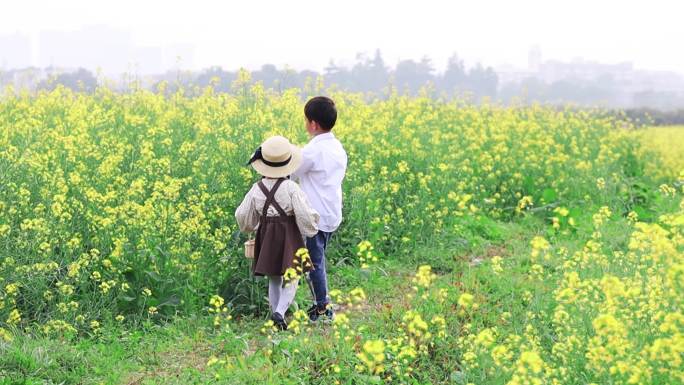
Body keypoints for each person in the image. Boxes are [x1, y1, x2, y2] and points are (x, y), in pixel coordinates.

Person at [235, 135, 320, 331]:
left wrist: (252, 227)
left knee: (275, 277)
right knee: (293, 276)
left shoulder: (256, 188)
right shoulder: (291, 187)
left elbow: (242, 214)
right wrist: (313, 224)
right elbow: (305, 214)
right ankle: (279, 313)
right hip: (289, 235)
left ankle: (275, 316)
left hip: (266, 235)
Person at [292, 96, 348, 322]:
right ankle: (317, 303)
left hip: (315, 216)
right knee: (315, 259)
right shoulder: (336, 147)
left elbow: (291, 171)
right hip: (331, 213)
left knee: (313, 264)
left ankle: (323, 308)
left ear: (313, 124)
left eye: (306, 120)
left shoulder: (312, 151)